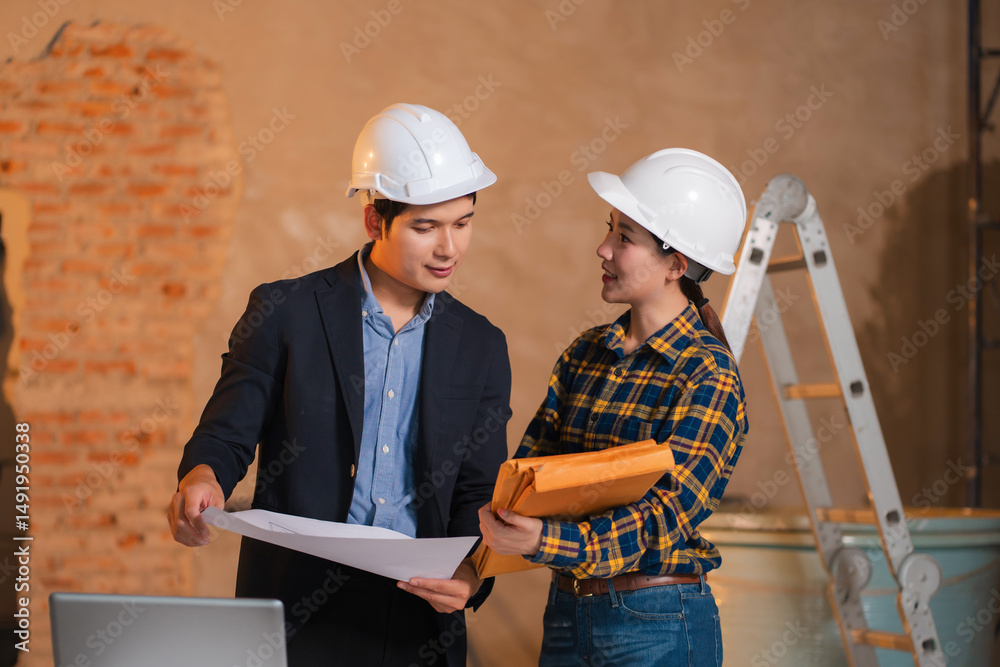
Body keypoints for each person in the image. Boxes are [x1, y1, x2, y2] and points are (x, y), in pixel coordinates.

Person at [166, 103, 512, 666]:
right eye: (426, 227)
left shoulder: (481, 345)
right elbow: (227, 434)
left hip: (421, 621)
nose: (449, 248)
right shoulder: (284, 311)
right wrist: (202, 477)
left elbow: (478, 494)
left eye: (463, 222)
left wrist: (472, 575)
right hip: (298, 612)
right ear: (375, 219)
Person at [479, 148, 749, 667]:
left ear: (677, 264)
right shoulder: (586, 353)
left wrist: (545, 540)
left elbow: (664, 518)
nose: (602, 249)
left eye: (624, 238)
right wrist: (482, 556)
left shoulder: (706, 374)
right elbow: (532, 478)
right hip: (567, 612)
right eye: (610, 229)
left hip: (658, 619)